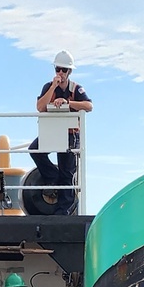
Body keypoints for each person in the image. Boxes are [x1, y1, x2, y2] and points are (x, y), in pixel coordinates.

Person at [29, 49, 91, 214]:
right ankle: (52, 178)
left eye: (64, 70)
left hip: (70, 133)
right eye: (58, 69)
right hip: (51, 131)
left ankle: (64, 209)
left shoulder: (76, 89)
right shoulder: (48, 87)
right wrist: (54, 87)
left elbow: (89, 106)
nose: (61, 73)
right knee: (35, 150)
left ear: (69, 71)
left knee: (67, 170)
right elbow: (40, 107)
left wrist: (68, 103)